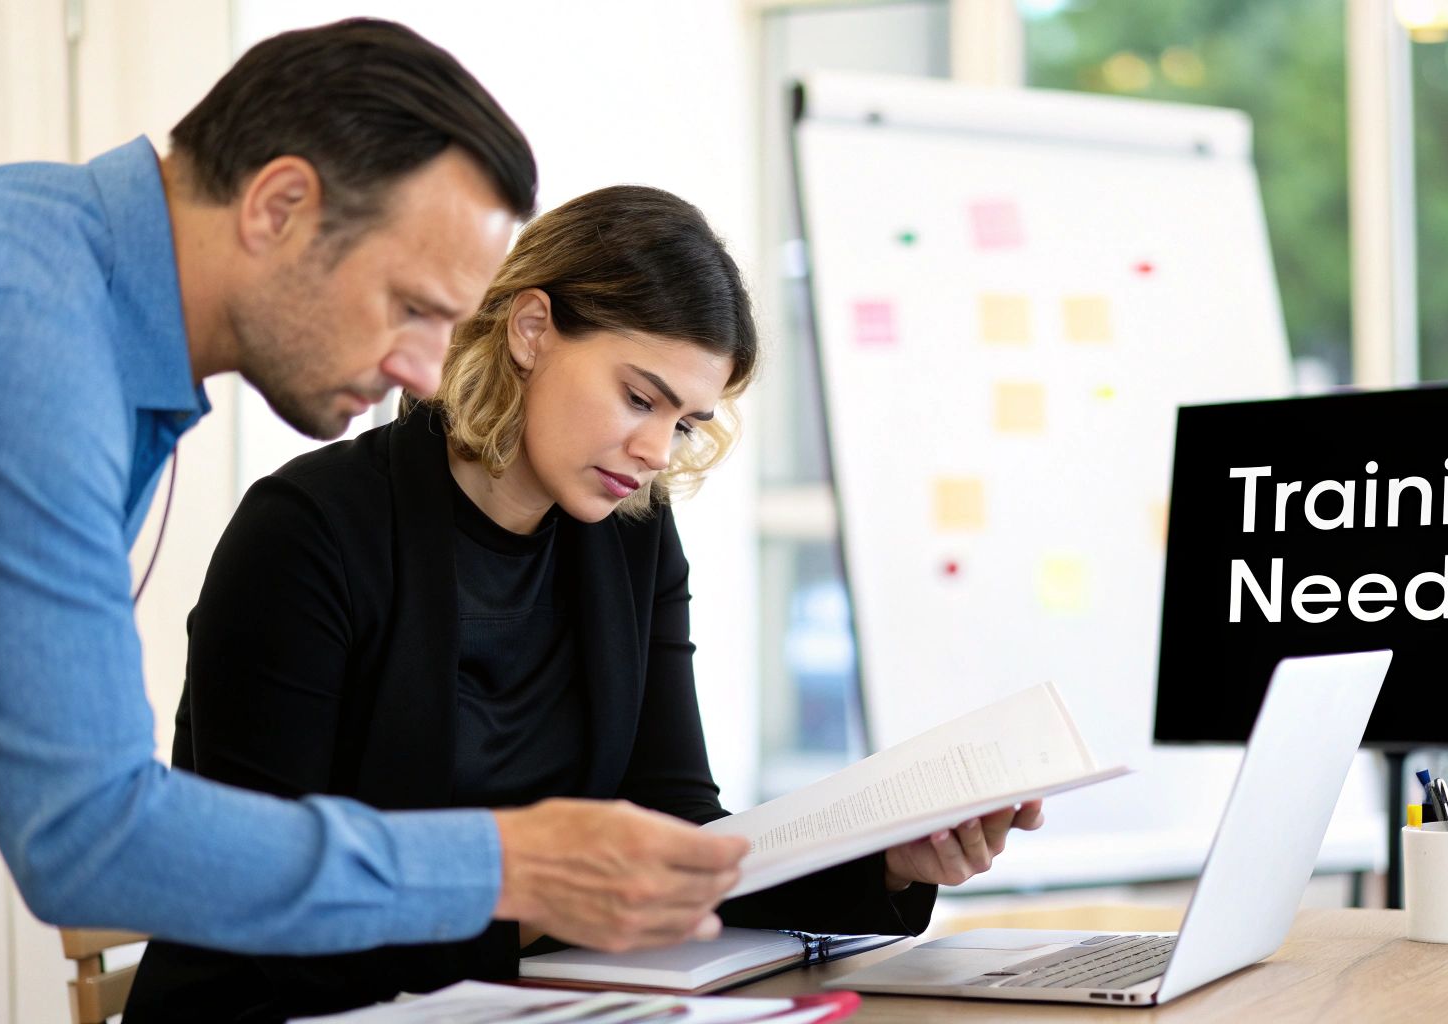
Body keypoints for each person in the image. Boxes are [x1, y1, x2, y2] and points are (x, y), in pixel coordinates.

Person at [122, 184, 1043, 1021]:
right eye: (639, 397)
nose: (654, 451)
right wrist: (547, 906)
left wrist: (882, 861)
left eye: (683, 422)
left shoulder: (634, 539)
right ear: (531, 330)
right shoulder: (310, 532)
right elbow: (265, 893)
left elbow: (678, 831)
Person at [0, 18, 757, 960]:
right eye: (411, 306)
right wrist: (511, 867)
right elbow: (87, 836)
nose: (428, 374)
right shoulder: (33, 339)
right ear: (279, 207)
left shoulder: (71, 295)